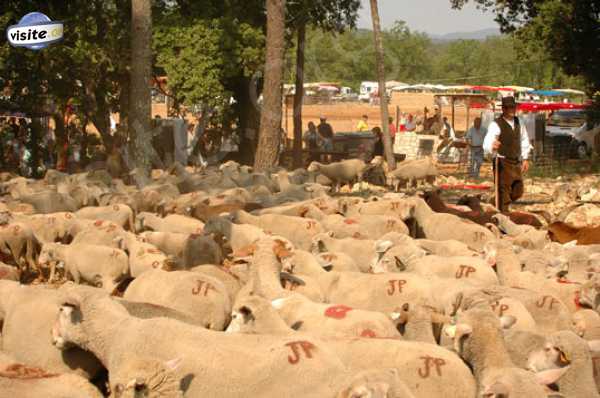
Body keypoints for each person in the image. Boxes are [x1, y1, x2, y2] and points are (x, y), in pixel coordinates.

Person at [483, 96, 531, 212]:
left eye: (512, 107)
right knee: (503, 191)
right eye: (508, 107)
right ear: (503, 109)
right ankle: (503, 216)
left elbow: (524, 140)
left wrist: (525, 158)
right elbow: (488, 141)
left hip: (515, 161)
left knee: (518, 190)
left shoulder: (520, 122)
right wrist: (492, 145)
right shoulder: (496, 124)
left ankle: (495, 201)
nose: (511, 109)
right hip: (502, 162)